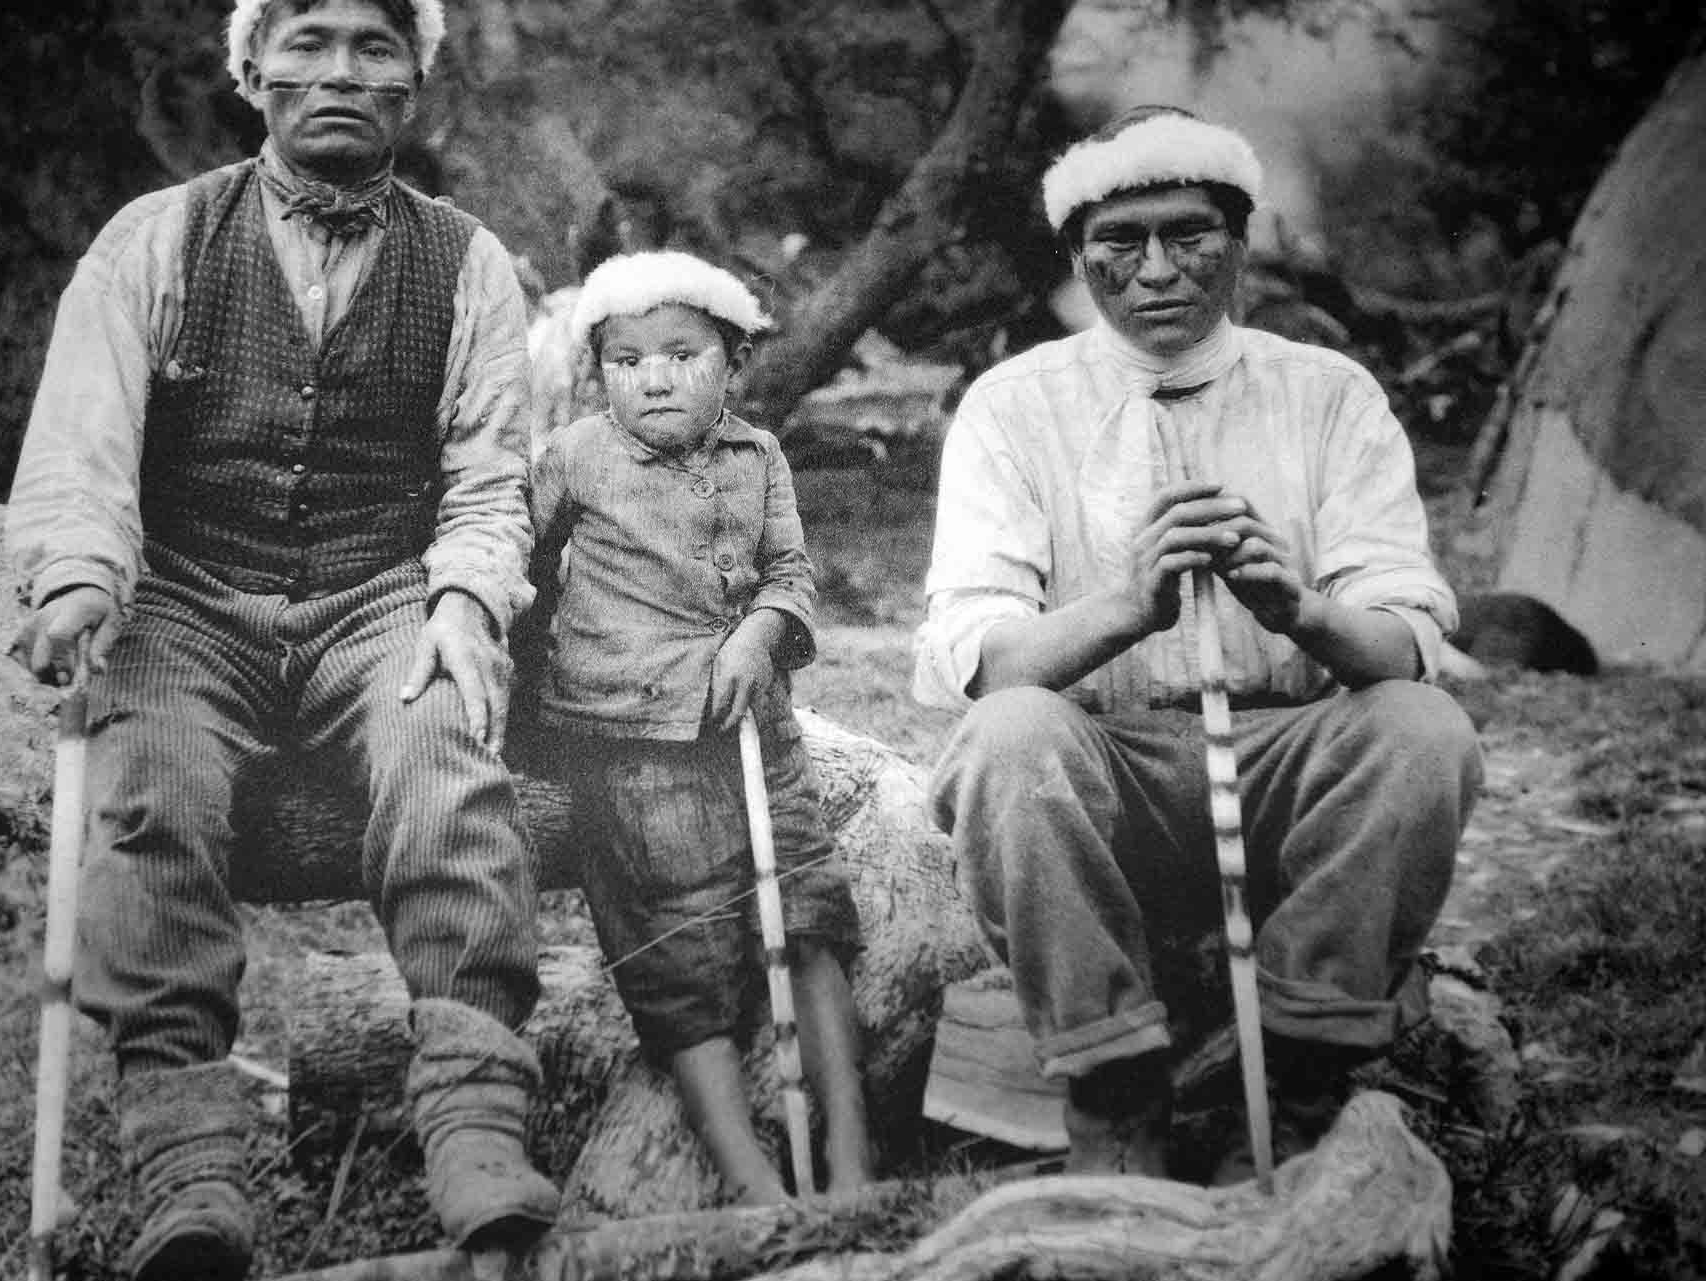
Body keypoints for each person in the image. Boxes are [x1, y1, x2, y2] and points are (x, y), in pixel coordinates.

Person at [3, 1, 559, 1274]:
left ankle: (476, 1128)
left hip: (382, 592)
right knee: (153, 799)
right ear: (250, 69)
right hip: (189, 596)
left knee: (446, 766)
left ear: (415, 79)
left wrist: (467, 604)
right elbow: (84, 450)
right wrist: (81, 583)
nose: (339, 74)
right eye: (306, 42)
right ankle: (191, 1169)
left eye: (374, 47)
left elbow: (487, 477)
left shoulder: (469, 260)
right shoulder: (154, 241)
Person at [914, 106, 1482, 1181]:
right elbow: (981, 661)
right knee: (1009, 737)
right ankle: (1114, 1090)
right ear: (1078, 259)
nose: (1159, 269)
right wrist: (1126, 606)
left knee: (1422, 729)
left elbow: (1405, 645)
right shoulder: (1011, 405)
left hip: (1291, 768)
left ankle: (1306, 1077)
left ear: (1242, 240)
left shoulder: (1328, 394)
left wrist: (1299, 608)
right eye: (1120, 244)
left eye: (1190, 234)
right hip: (1108, 780)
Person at [516, 250, 872, 1202]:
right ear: (600, 374)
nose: (655, 377)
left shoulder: (759, 458)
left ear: (733, 361)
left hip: (758, 733)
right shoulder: (575, 458)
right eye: (626, 360)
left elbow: (790, 574)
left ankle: (849, 1155)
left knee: (807, 914)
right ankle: (752, 1177)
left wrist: (762, 631)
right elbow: (512, 561)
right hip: (628, 750)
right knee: (679, 955)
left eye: (682, 353)